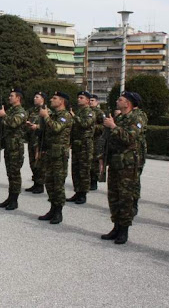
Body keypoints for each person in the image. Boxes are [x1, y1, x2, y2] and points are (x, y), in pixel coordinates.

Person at [100, 91, 142, 244]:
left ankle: (124, 230)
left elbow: (130, 137)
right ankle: (116, 226)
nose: (118, 101)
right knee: (114, 196)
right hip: (115, 162)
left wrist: (113, 126)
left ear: (128, 103)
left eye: (121, 99)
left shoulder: (136, 118)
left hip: (128, 164)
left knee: (125, 198)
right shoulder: (119, 117)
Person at [37, 92, 73, 224]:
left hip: (59, 155)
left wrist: (46, 117)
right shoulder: (53, 115)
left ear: (62, 101)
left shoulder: (65, 116)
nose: (52, 100)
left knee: (58, 184)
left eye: (55, 98)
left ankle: (58, 212)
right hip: (49, 153)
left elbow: (57, 128)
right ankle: (52, 208)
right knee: (49, 182)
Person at [0, 89, 28, 210]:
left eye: (11, 96)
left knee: (15, 174)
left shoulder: (21, 112)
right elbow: (2, 128)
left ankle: (14, 200)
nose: (9, 98)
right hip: (8, 146)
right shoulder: (10, 111)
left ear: (18, 98)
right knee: (10, 173)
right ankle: (10, 197)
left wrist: (4, 115)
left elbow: (14, 123)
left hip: (16, 148)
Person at [67, 91, 95, 204]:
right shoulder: (79, 112)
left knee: (84, 170)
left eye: (81, 98)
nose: (79, 99)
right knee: (75, 170)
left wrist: (74, 116)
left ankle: (83, 194)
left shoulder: (90, 112)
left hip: (85, 145)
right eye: (78, 97)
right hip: (77, 145)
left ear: (87, 100)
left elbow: (85, 124)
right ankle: (77, 192)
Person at [89, 94, 105, 190]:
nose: (91, 102)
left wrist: (93, 127)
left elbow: (104, 126)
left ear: (97, 102)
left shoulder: (99, 113)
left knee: (94, 161)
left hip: (96, 140)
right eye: (90, 100)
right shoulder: (87, 111)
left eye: (93, 100)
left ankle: (94, 181)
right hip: (87, 140)